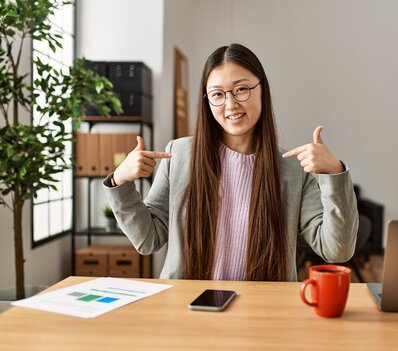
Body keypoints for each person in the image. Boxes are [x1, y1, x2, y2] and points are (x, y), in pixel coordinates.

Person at [103, 43, 359, 281]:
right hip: (189, 311)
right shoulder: (179, 155)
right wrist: (120, 181)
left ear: (262, 89)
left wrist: (333, 173)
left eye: (241, 89)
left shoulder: (293, 169)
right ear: (207, 100)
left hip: (264, 313)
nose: (230, 104)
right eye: (217, 94)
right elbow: (148, 240)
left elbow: (338, 250)